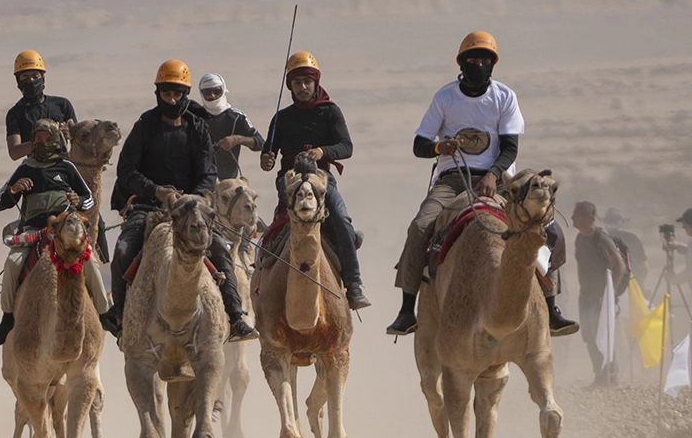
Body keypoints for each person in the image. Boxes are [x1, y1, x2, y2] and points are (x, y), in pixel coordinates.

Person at [387, 31, 550, 334]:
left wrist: (492, 174)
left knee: (538, 224)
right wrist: (439, 148)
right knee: (420, 227)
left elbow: (510, 148)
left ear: (492, 64)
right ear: (462, 63)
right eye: (472, 59)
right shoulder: (445, 97)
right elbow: (419, 144)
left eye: (484, 60)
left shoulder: (504, 97)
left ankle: (550, 303)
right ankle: (407, 309)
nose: (478, 64)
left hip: (498, 179)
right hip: (452, 181)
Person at [104, 60, 257, 342]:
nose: (171, 99)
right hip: (149, 206)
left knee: (220, 250)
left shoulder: (197, 128)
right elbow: (126, 171)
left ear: (185, 95)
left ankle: (235, 318)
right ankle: (122, 319)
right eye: (166, 93)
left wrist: (192, 197)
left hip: (189, 208)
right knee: (124, 249)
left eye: (177, 94)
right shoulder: (145, 125)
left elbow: (208, 172)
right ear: (158, 93)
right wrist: (157, 191)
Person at [260, 52, 369, 310]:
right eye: (297, 82)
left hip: (321, 178)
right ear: (290, 86)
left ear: (316, 81)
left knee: (340, 218)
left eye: (307, 81)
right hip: (289, 178)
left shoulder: (330, 112)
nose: (303, 87)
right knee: (287, 221)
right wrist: (266, 160)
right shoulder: (281, 118)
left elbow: (346, 147)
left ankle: (354, 285)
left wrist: (322, 152)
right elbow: (269, 153)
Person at [0, 120, 106, 345]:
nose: (42, 144)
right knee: (12, 264)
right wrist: (14, 190)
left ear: (55, 139)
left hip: (65, 231)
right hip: (33, 231)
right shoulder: (25, 168)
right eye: (38, 139)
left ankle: (103, 313)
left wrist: (77, 200)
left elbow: (88, 199)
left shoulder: (67, 168)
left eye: (46, 139)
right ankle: (7, 317)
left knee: (90, 261)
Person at [572, 201, 628, 384]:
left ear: (588, 217)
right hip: (585, 296)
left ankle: (610, 376)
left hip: (600, 298)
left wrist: (610, 294)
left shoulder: (601, 238)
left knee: (602, 336)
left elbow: (619, 266)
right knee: (589, 336)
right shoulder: (580, 238)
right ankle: (600, 375)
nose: (573, 218)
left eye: (576, 215)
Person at [5, 50, 76, 160]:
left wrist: (69, 132)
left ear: (42, 78)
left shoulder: (62, 105)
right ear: (18, 81)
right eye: (25, 77)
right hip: (33, 165)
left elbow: (81, 139)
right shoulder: (15, 113)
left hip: (63, 163)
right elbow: (14, 152)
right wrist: (43, 140)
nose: (31, 81)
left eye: (35, 76)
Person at [193, 72, 264, 180]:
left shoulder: (236, 117)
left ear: (223, 90)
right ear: (201, 93)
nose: (212, 95)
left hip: (228, 183)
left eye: (217, 91)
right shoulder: (195, 117)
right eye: (207, 92)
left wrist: (237, 139)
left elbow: (260, 143)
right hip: (200, 182)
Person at [603, 208, 647, 288]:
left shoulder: (605, 241)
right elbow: (645, 267)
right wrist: (639, 282)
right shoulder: (633, 238)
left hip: (615, 287)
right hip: (634, 285)